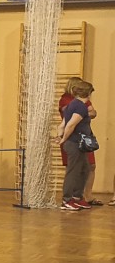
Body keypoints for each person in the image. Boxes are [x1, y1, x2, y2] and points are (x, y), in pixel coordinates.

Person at [57, 77, 99, 206]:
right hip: (74, 142)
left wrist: (60, 135)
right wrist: (63, 139)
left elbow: (62, 124)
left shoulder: (74, 104)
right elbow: (70, 125)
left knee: (84, 168)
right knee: (73, 170)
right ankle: (67, 199)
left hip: (78, 142)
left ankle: (77, 196)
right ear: (88, 93)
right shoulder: (79, 106)